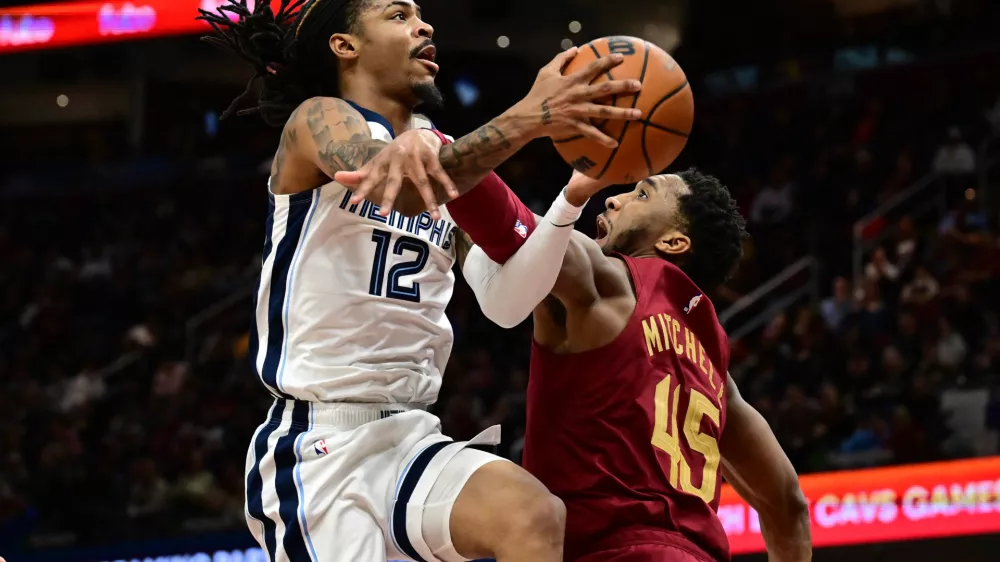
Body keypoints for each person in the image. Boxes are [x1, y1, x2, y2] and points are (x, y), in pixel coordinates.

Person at [198, 0, 642, 561]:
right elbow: (399, 185)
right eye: (398, 15)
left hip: (411, 437)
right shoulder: (318, 119)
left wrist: (570, 199)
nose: (424, 25)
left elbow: (508, 302)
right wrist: (531, 115)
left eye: (421, 15)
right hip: (320, 445)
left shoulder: (444, 153)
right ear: (345, 45)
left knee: (532, 514)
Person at [464, 172, 813, 561]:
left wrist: (438, 154)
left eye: (642, 194)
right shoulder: (714, 367)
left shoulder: (610, 282)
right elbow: (788, 505)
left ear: (673, 241)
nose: (614, 199)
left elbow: (516, 235)